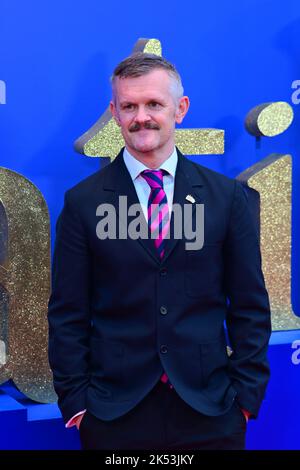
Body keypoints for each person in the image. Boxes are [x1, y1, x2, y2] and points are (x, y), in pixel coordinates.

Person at [48, 52, 271, 450]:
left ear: (180, 109)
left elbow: (250, 306)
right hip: (114, 413)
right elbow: (68, 312)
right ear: (114, 113)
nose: (141, 117)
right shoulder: (82, 204)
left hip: (211, 410)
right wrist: (77, 402)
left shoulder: (226, 199)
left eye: (154, 104)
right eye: (129, 106)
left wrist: (245, 398)